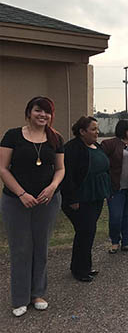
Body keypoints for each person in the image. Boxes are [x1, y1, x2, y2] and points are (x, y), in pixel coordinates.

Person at [0, 97, 65, 317]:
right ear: (29, 112)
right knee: (20, 249)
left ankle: (38, 293)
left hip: (47, 201)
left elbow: (60, 169)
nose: (42, 115)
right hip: (15, 201)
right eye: (38, 110)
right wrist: (21, 194)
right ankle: (20, 298)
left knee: (41, 247)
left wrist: (52, 187)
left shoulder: (55, 138)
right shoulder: (13, 136)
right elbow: (3, 169)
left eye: (47, 112)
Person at [61, 117, 111, 282]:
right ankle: (79, 270)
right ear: (82, 131)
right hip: (80, 199)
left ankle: (85, 266)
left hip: (95, 197)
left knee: (88, 232)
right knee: (85, 232)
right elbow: (67, 176)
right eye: (93, 129)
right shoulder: (72, 148)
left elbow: (104, 168)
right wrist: (72, 199)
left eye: (97, 129)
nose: (97, 132)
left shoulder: (96, 145)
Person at [101, 120, 128, 254]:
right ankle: (115, 242)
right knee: (116, 216)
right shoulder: (109, 144)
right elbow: (103, 165)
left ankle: (127, 242)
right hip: (116, 188)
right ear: (123, 129)